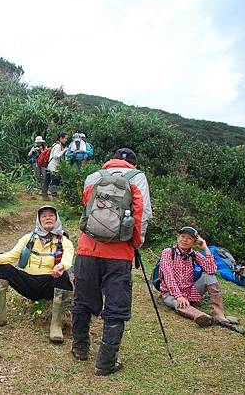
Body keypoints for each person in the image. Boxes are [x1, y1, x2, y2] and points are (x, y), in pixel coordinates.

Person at [72, 148, 152, 376]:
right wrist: (136, 242)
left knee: (82, 299)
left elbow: (87, 207)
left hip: (88, 249)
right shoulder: (137, 178)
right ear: (133, 163)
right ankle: (105, 363)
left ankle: (80, 349)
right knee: (116, 306)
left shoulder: (94, 176)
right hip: (119, 254)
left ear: (111, 160)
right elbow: (142, 214)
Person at [0, 205, 74, 343]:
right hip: (28, 283)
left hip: (50, 283)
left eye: (51, 215)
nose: (48, 218)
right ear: (39, 220)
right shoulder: (29, 238)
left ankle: (56, 326)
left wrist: (61, 266)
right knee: (2, 268)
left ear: (57, 219)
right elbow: (12, 255)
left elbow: (68, 257)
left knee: (64, 277)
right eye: (44, 216)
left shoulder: (64, 241)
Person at [159, 227, 243, 332]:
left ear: (194, 242)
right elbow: (168, 276)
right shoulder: (168, 252)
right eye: (182, 236)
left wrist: (205, 248)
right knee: (178, 303)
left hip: (189, 292)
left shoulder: (195, 255)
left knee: (209, 276)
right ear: (178, 237)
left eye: (189, 238)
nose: (184, 240)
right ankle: (202, 317)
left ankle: (218, 314)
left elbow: (211, 269)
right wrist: (179, 296)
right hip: (170, 294)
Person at [42, 132, 68, 200]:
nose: (66, 140)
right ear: (61, 138)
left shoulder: (55, 145)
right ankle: (54, 195)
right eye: (65, 138)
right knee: (55, 181)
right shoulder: (58, 146)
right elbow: (56, 156)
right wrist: (64, 151)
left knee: (47, 181)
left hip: (50, 166)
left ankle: (45, 195)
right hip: (53, 167)